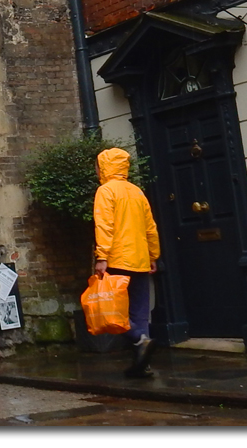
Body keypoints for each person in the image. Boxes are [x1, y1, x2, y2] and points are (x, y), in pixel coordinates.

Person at [93, 147, 161, 378]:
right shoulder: (136, 192)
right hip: (140, 259)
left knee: (114, 314)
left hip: (117, 259)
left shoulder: (105, 191)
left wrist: (101, 256)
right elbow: (150, 227)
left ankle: (139, 341)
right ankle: (143, 364)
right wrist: (153, 255)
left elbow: (104, 225)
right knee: (140, 313)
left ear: (104, 167)